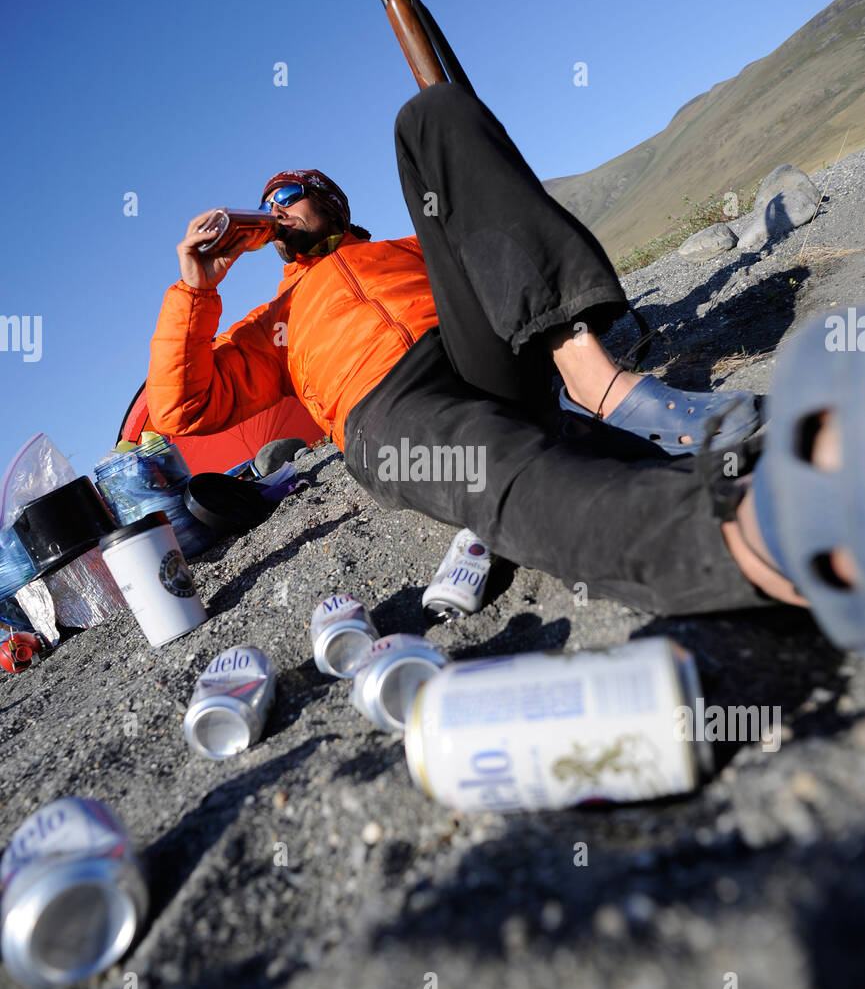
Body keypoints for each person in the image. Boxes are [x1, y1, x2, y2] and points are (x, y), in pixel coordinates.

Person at [146, 84, 864, 651]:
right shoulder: (270, 322)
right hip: (385, 407)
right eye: (267, 204)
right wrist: (196, 290)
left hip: (481, 353)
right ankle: (760, 538)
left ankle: (597, 379)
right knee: (498, 465)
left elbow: (500, 267)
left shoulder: (402, 250)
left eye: (290, 196)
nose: (277, 210)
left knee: (427, 114)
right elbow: (183, 410)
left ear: (327, 202)